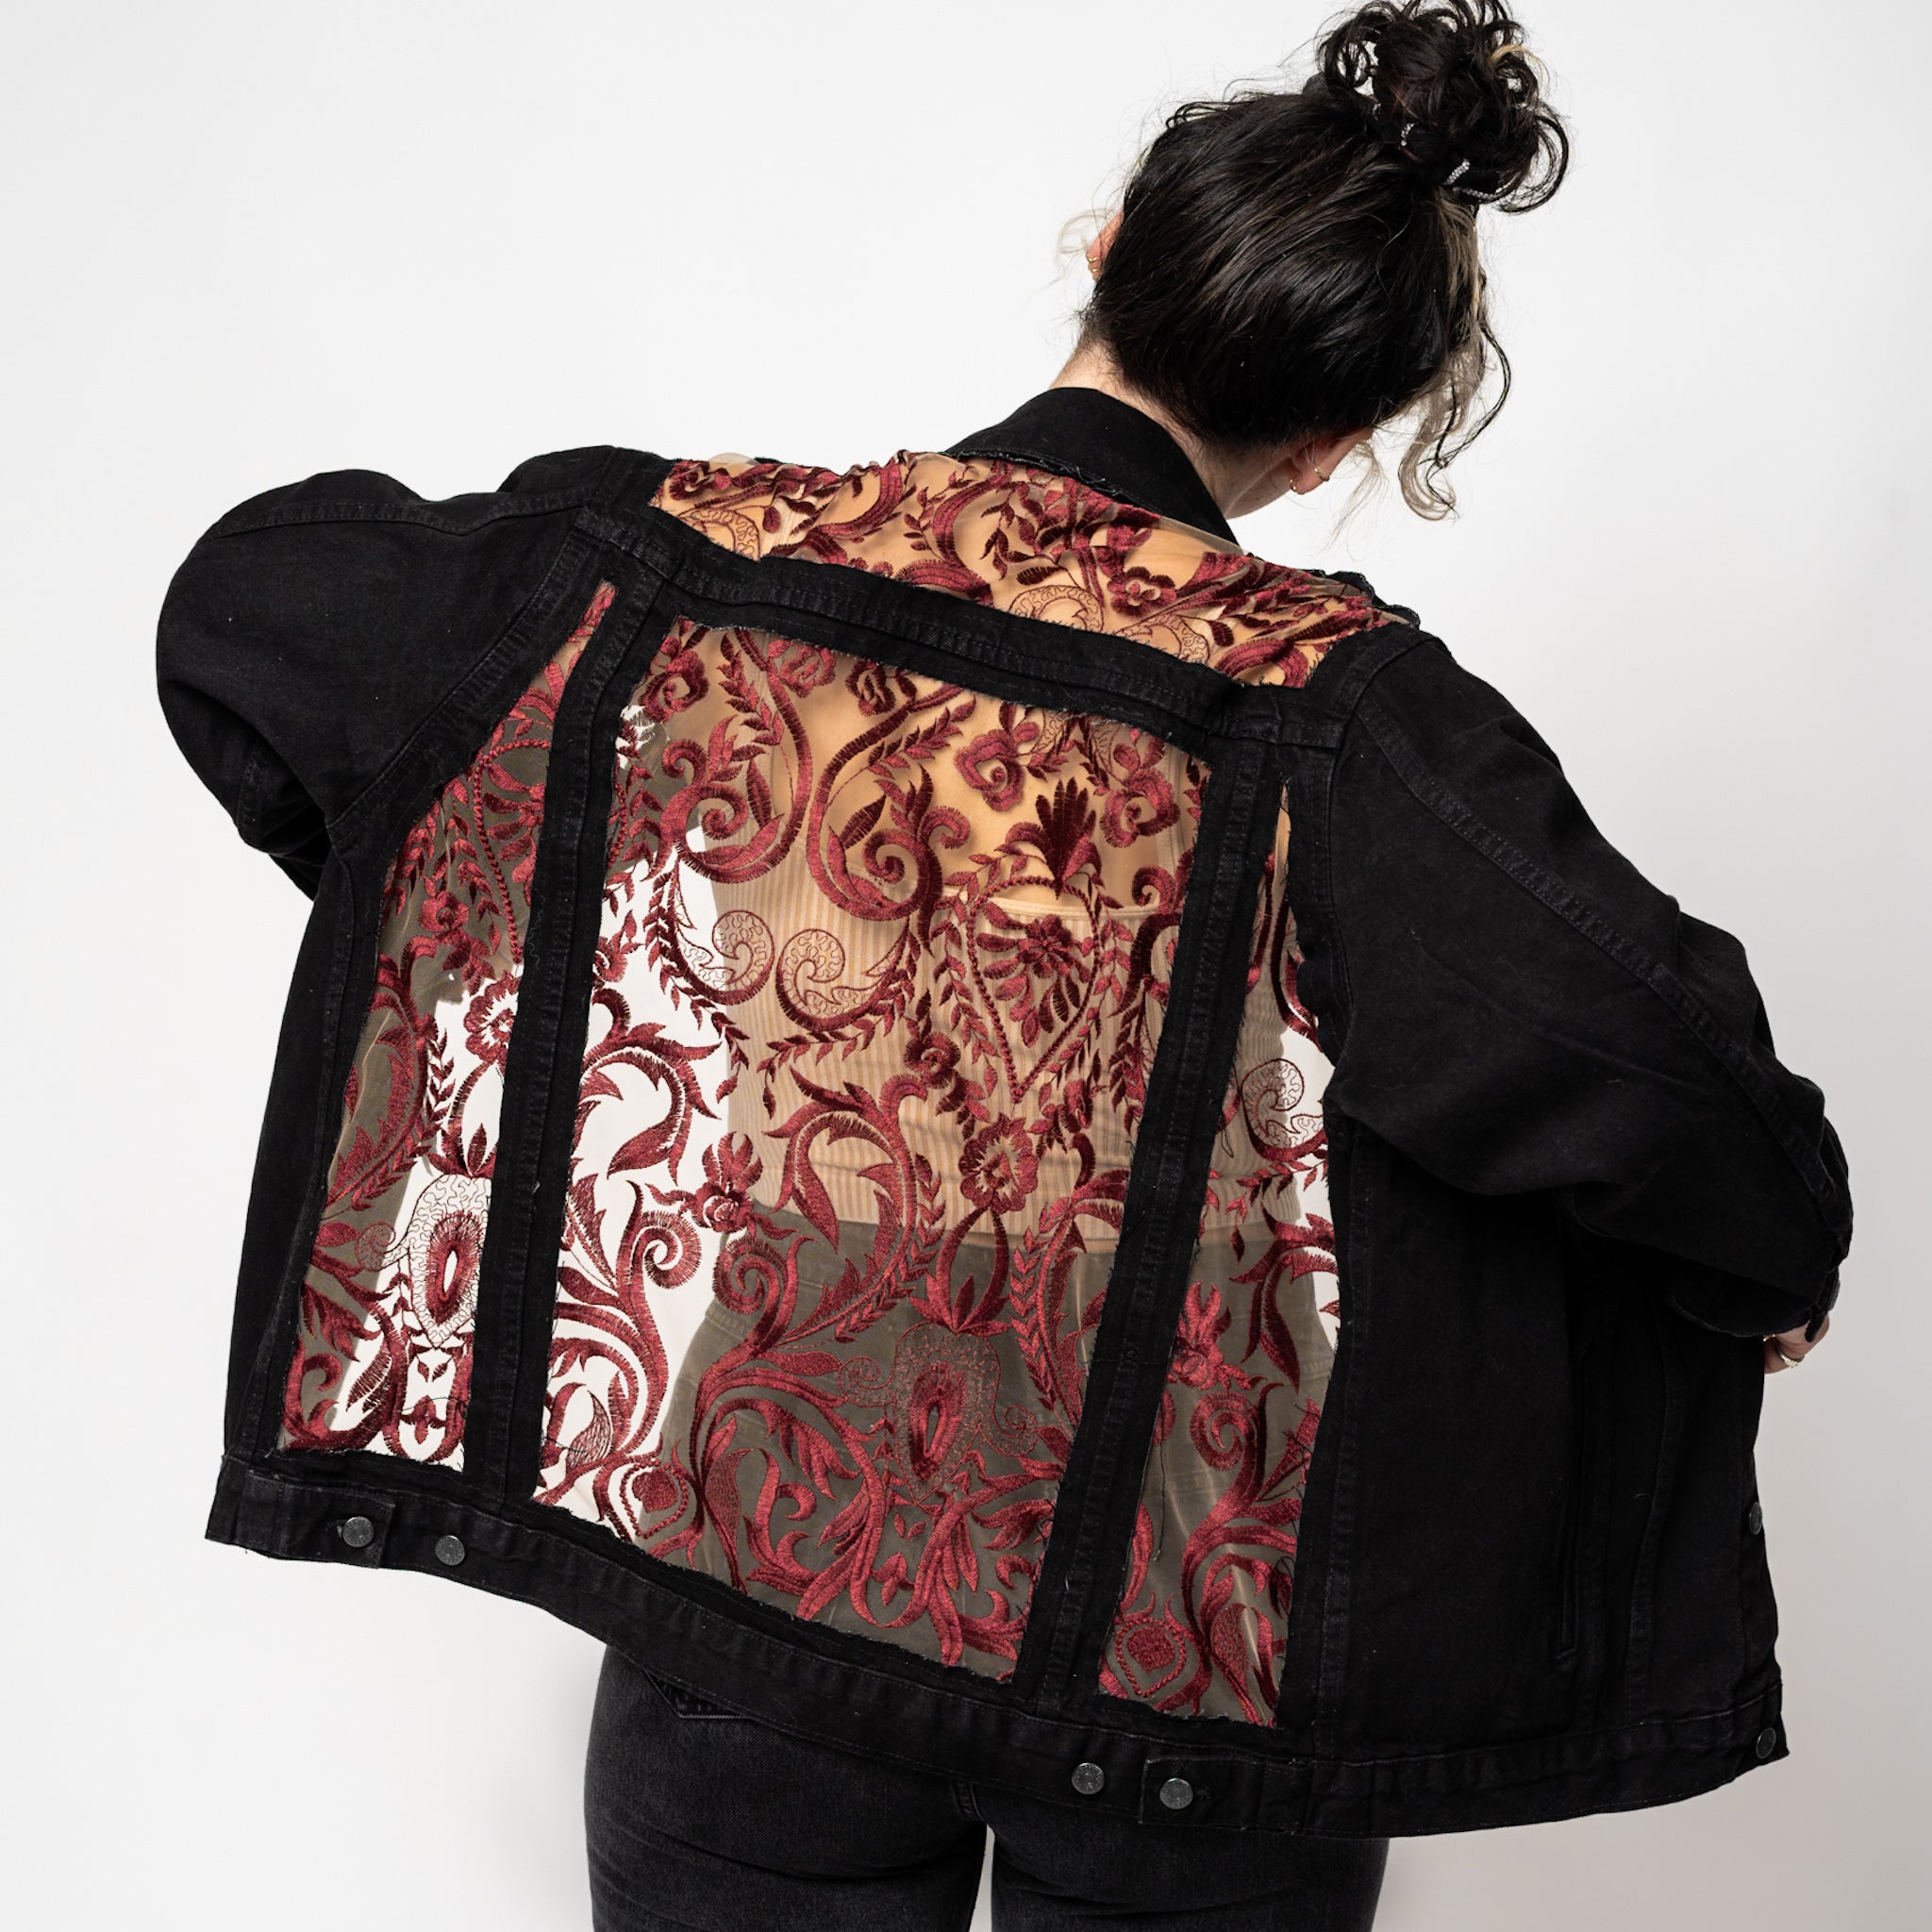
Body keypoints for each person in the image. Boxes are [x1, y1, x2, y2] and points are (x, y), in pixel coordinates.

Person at [157, 4, 1847, 1929]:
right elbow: (1655, 1068)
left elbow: (248, 607)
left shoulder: (714, 565)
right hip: (1184, 1605)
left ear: (1104, 251)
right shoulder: (1340, 715)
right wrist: (1758, 1258)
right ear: (1331, 443)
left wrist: (497, 885)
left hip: (766, 1525)